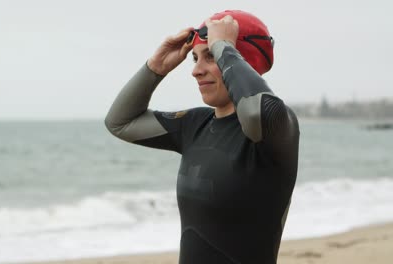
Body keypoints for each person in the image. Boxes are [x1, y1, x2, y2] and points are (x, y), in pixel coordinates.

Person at [105, 9, 299, 264]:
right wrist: (155, 68)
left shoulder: (277, 127)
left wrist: (223, 46)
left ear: (243, 62)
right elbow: (120, 122)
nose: (196, 70)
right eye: (195, 58)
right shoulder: (195, 124)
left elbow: (256, 113)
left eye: (210, 56)